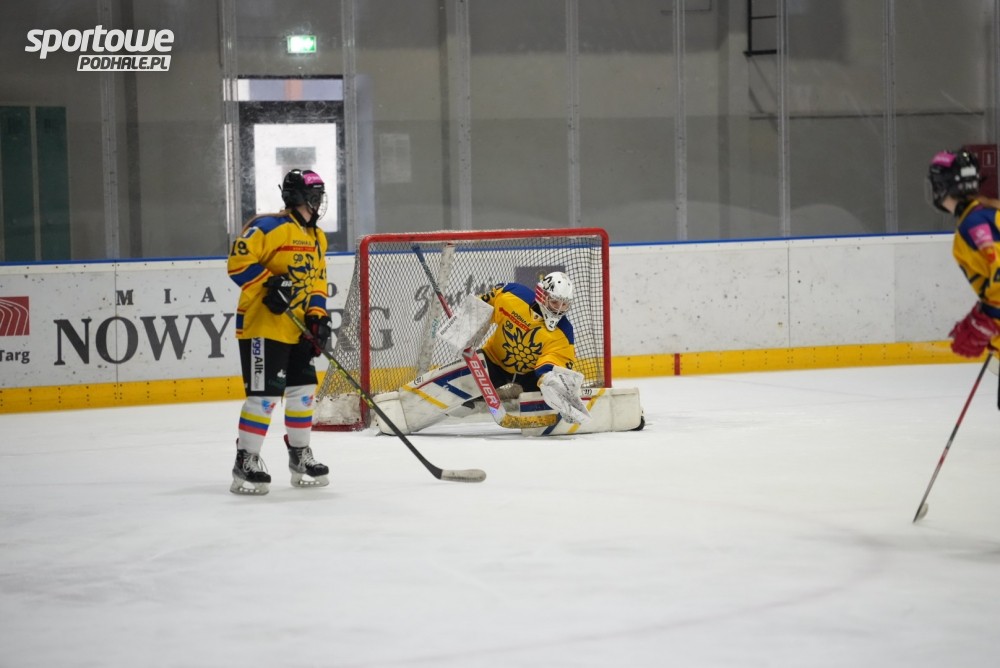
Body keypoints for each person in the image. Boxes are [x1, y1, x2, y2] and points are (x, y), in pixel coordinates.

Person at [373, 271, 592, 434]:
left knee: (543, 414)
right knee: (460, 398)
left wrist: (549, 381)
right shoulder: (512, 296)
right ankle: (402, 409)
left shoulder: (564, 333)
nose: (559, 309)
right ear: (542, 296)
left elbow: (552, 361)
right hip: (495, 360)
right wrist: (466, 325)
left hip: (530, 374)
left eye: (564, 305)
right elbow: (484, 302)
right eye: (555, 302)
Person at [226, 169, 333, 495]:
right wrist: (269, 285)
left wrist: (317, 316)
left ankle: (300, 456)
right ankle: (246, 459)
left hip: (297, 329)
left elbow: (318, 280)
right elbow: (237, 263)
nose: (318, 203)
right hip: (263, 327)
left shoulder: (317, 237)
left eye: (320, 196)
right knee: (264, 397)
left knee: (303, 392)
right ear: (298, 197)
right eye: (313, 197)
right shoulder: (268, 227)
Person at [927, 149, 1000, 361]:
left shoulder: (975, 224)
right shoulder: (987, 215)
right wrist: (984, 313)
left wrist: (989, 319)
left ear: (941, 187)